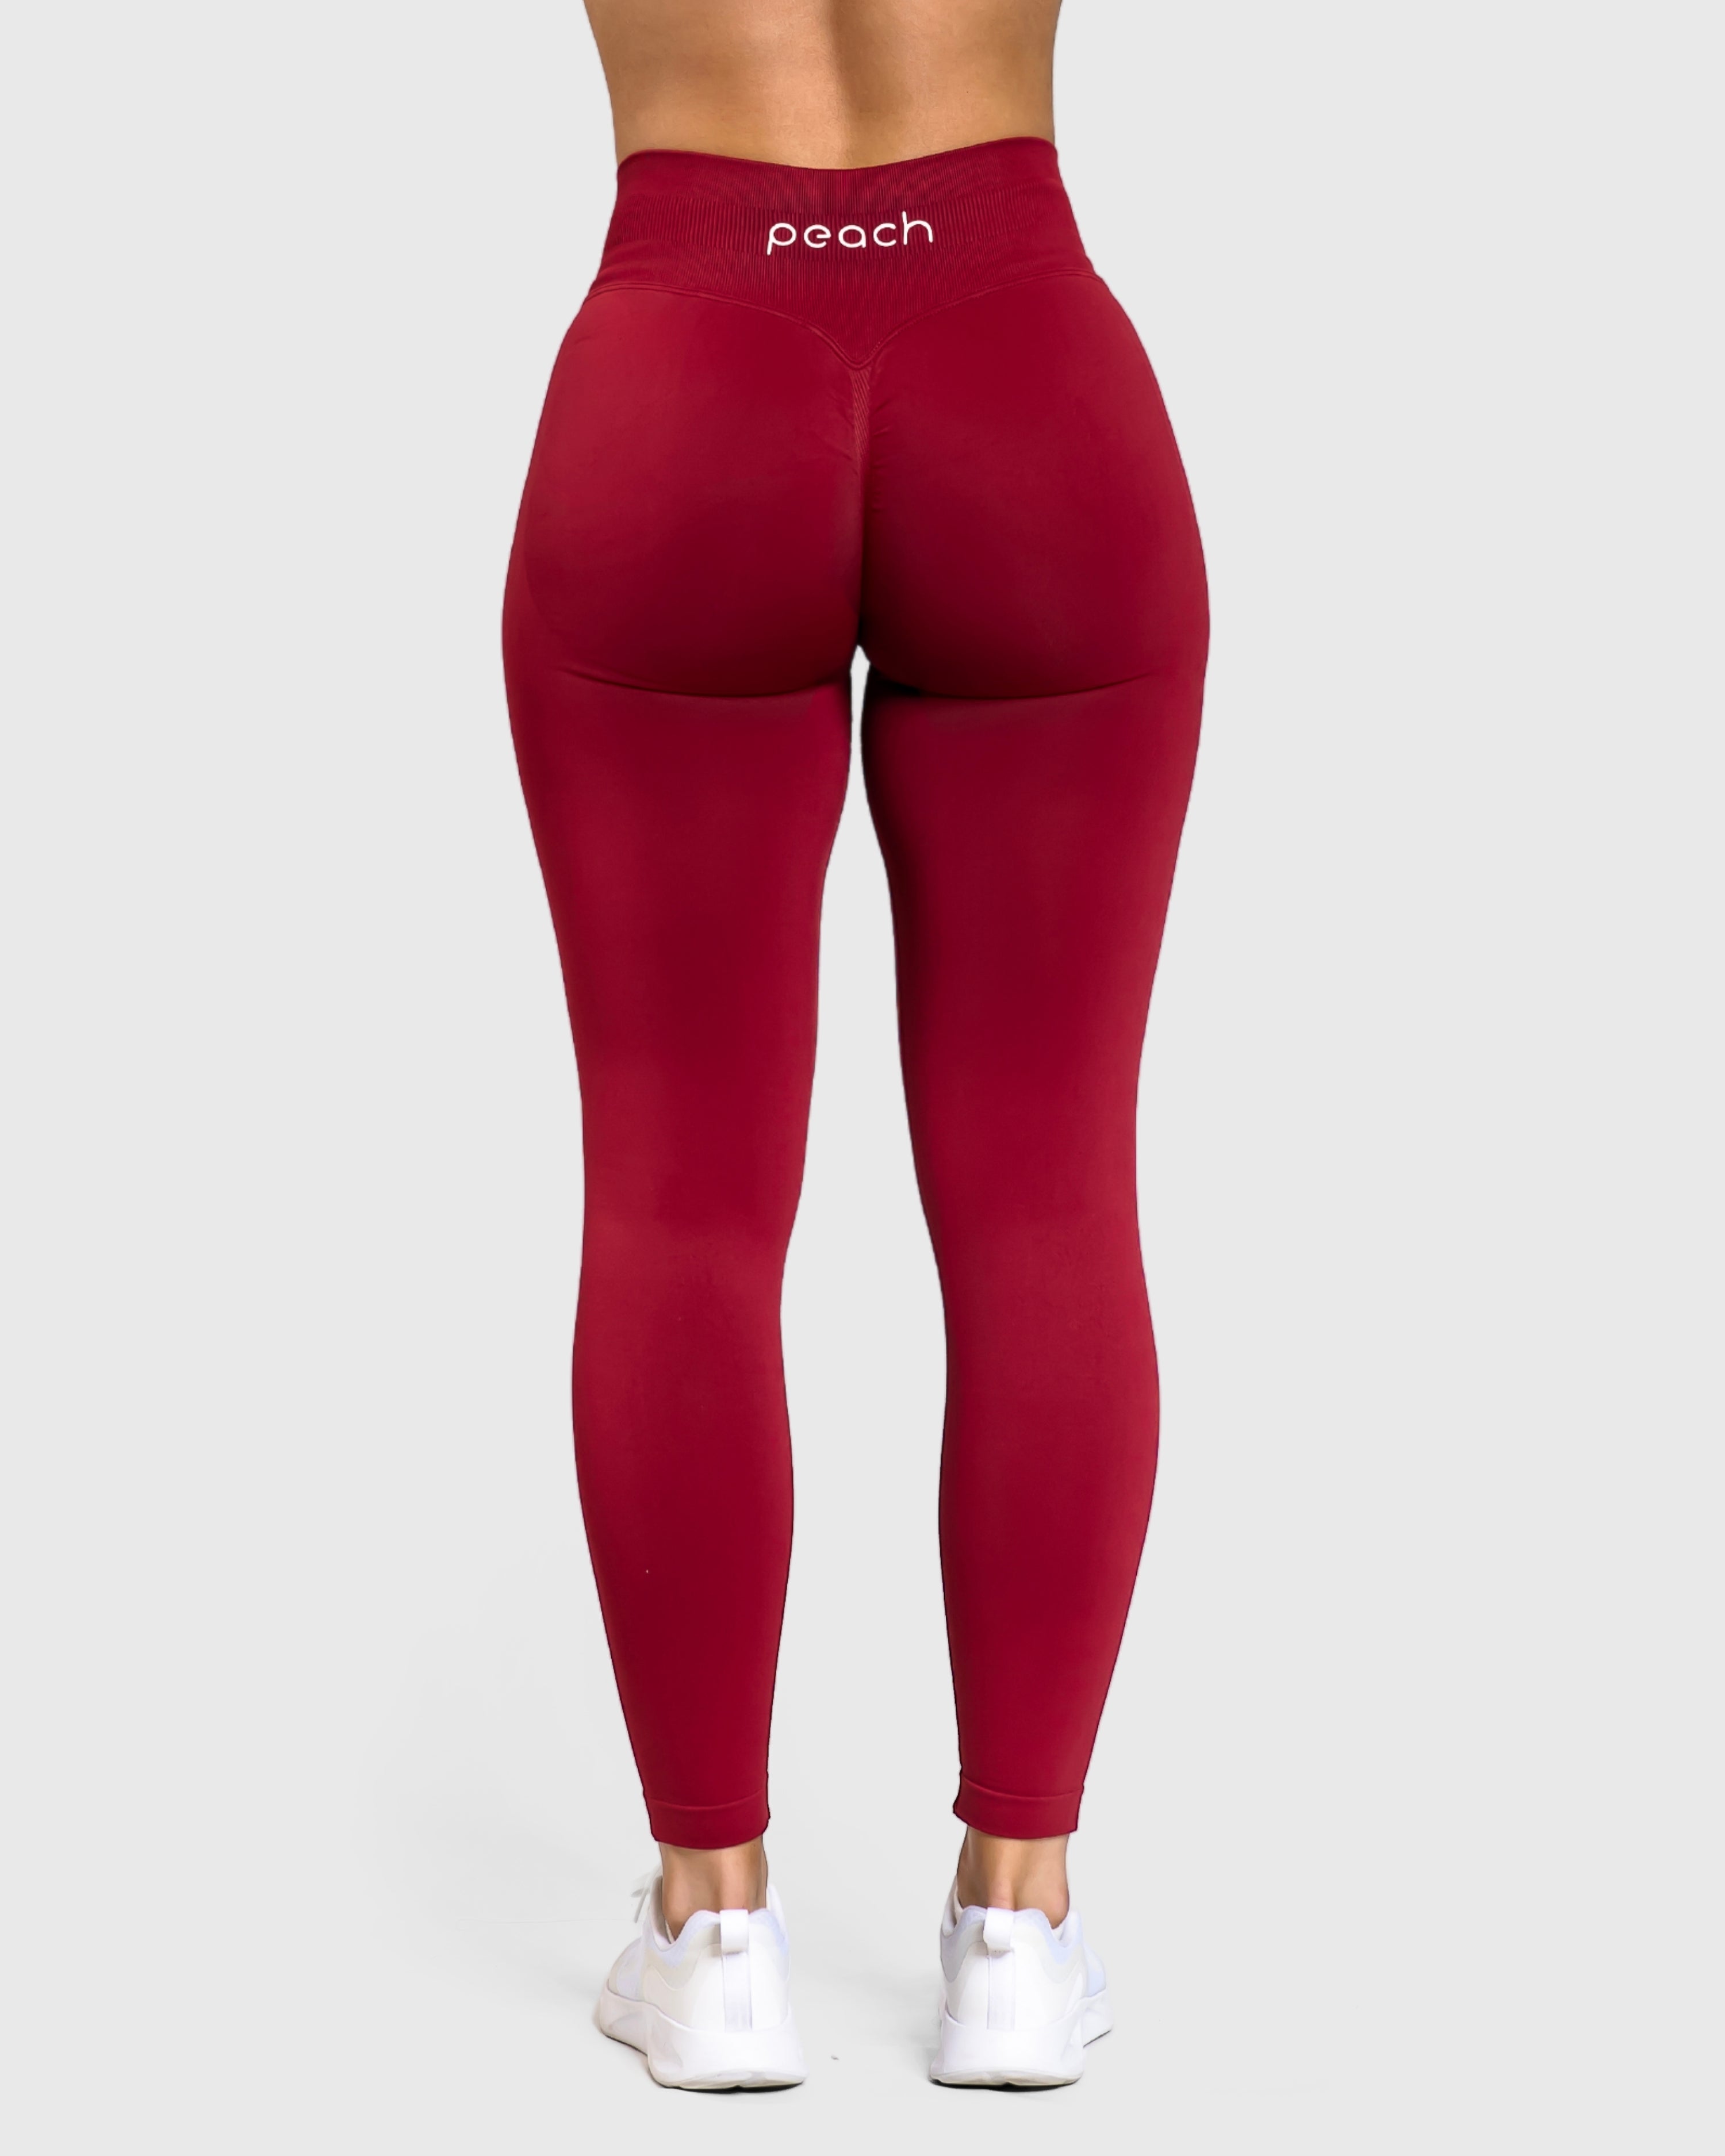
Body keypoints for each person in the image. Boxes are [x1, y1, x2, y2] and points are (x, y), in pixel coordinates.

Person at [502, 0, 1208, 2090]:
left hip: (682, 378)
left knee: (680, 1198)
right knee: (1053, 1191)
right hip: (1027, 371)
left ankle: (712, 1937)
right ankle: (1020, 1929)